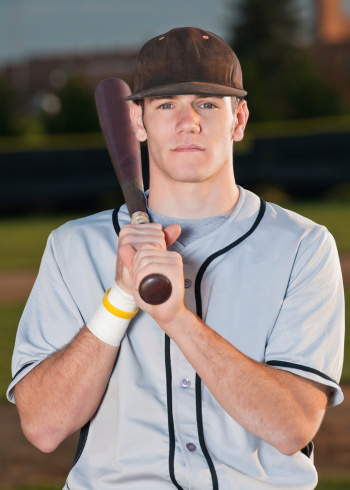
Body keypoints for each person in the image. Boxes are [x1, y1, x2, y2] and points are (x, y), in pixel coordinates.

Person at [7, 27, 344, 490]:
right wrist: (120, 298)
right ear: (138, 123)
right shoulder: (73, 246)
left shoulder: (303, 247)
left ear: (238, 120)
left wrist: (177, 319)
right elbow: (43, 427)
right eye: (166, 105)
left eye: (207, 103)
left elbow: (291, 428)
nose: (188, 122)